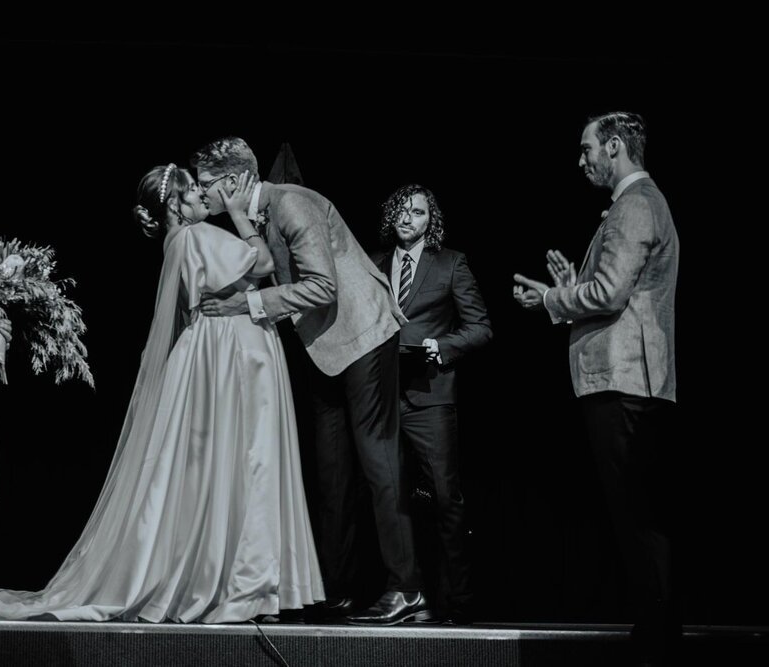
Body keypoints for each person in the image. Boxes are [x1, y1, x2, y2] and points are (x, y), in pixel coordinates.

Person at [0, 163, 323, 624]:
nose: (203, 197)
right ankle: (241, 583)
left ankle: (223, 576)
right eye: (194, 192)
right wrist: (240, 215)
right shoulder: (197, 236)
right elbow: (261, 264)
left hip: (208, 353)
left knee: (217, 465)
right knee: (244, 458)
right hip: (228, 354)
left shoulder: (176, 241)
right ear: (176, 204)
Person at [193, 137, 428, 625]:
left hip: (363, 336)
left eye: (207, 184)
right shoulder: (252, 215)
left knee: (378, 464)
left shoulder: (293, 202)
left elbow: (322, 286)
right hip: (324, 349)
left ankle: (407, 589)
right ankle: (335, 589)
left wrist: (247, 305)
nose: (202, 193)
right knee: (331, 473)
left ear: (235, 180)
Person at [513, 111, 680, 664]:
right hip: (629, 377)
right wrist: (568, 290)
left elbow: (609, 295)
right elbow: (613, 292)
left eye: (587, 149)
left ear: (614, 147)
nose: (580, 160)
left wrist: (550, 301)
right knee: (636, 513)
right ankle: (655, 626)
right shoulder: (637, 204)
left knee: (638, 514)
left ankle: (657, 633)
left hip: (626, 379)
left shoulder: (634, 204)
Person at [373, 184, 491, 625]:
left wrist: (438, 346)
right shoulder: (372, 264)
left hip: (430, 396)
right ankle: (407, 595)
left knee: (444, 499)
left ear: (430, 221)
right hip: (380, 398)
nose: (408, 218)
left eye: (418, 212)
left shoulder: (451, 263)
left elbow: (480, 328)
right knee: (392, 499)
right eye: (401, 210)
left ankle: (457, 602)